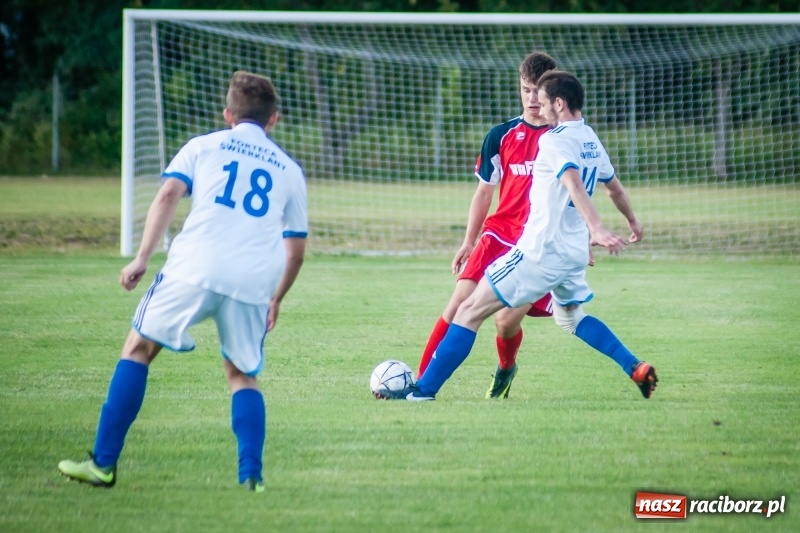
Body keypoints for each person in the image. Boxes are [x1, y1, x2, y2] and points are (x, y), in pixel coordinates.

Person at [58, 71, 308, 492]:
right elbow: (296, 250)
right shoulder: (289, 170)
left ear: (228, 114)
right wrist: (277, 297)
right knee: (241, 374)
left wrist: (142, 257)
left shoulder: (203, 146)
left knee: (138, 349)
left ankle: (103, 463)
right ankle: (251, 476)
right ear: (274, 119)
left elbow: (167, 195)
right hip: (252, 279)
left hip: (195, 265)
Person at [405, 70, 657, 402]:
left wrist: (597, 227)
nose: (538, 103)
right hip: (572, 254)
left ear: (559, 103)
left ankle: (422, 391)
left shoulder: (553, 140)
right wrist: (633, 221)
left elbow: (572, 182)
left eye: (544, 99)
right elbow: (614, 188)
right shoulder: (590, 139)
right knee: (573, 319)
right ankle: (634, 366)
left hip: (540, 251)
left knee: (468, 310)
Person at [415, 51, 558, 400]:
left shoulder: (562, 139)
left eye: (538, 91)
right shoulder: (501, 135)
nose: (532, 99)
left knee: (505, 321)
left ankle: (506, 367)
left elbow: (579, 194)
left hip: (537, 244)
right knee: (458, 303)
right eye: (526, 90)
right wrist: (468, 241)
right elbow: (484, 192)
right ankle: (419, 383)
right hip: (498, 235)